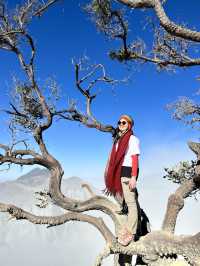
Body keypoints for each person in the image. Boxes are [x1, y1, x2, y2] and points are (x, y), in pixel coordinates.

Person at [104, 114, 140, 246]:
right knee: (125, 201)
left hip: (128, 172)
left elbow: (135, 159)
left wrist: (133, 177)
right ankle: (127, 229)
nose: (121, 124)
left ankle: (130, 233)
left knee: (131, 203)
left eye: (124, 123)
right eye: (119, 122)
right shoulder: (119, 139)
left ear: (129, 125)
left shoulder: (132, 139)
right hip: (120, 172)